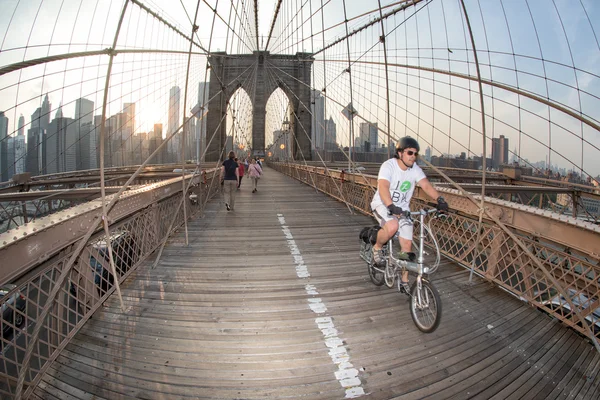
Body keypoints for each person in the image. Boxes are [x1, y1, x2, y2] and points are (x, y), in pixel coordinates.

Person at [370, 136, 449, 292]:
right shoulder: (389, 166)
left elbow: (426, 185)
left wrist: (440, 199)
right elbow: (383, 186)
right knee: (392, 226)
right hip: (383, 204)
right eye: (410, 153)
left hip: (403, 211)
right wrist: (390, 206)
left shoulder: (415, 170)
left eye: (416, 154)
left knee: (407, 248)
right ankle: (377, 247)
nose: (413, 156)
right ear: (400, 153)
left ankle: (404, 281)